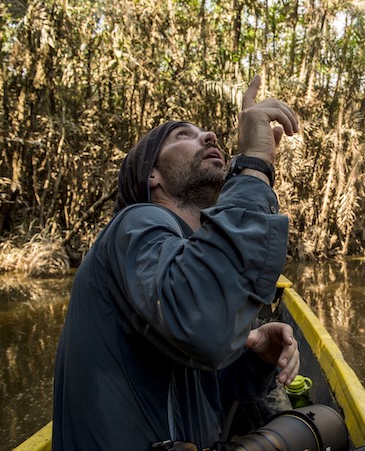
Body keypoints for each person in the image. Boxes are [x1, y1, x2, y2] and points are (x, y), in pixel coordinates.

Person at [52, 75, 300, 450]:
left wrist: (256, 359)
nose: (209, 136)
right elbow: (202, 321)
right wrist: (253, 165)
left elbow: (203, 385)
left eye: (206, 132)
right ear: (151, 174)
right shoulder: (137, 223)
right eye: (184, 135)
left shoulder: (183, 255)